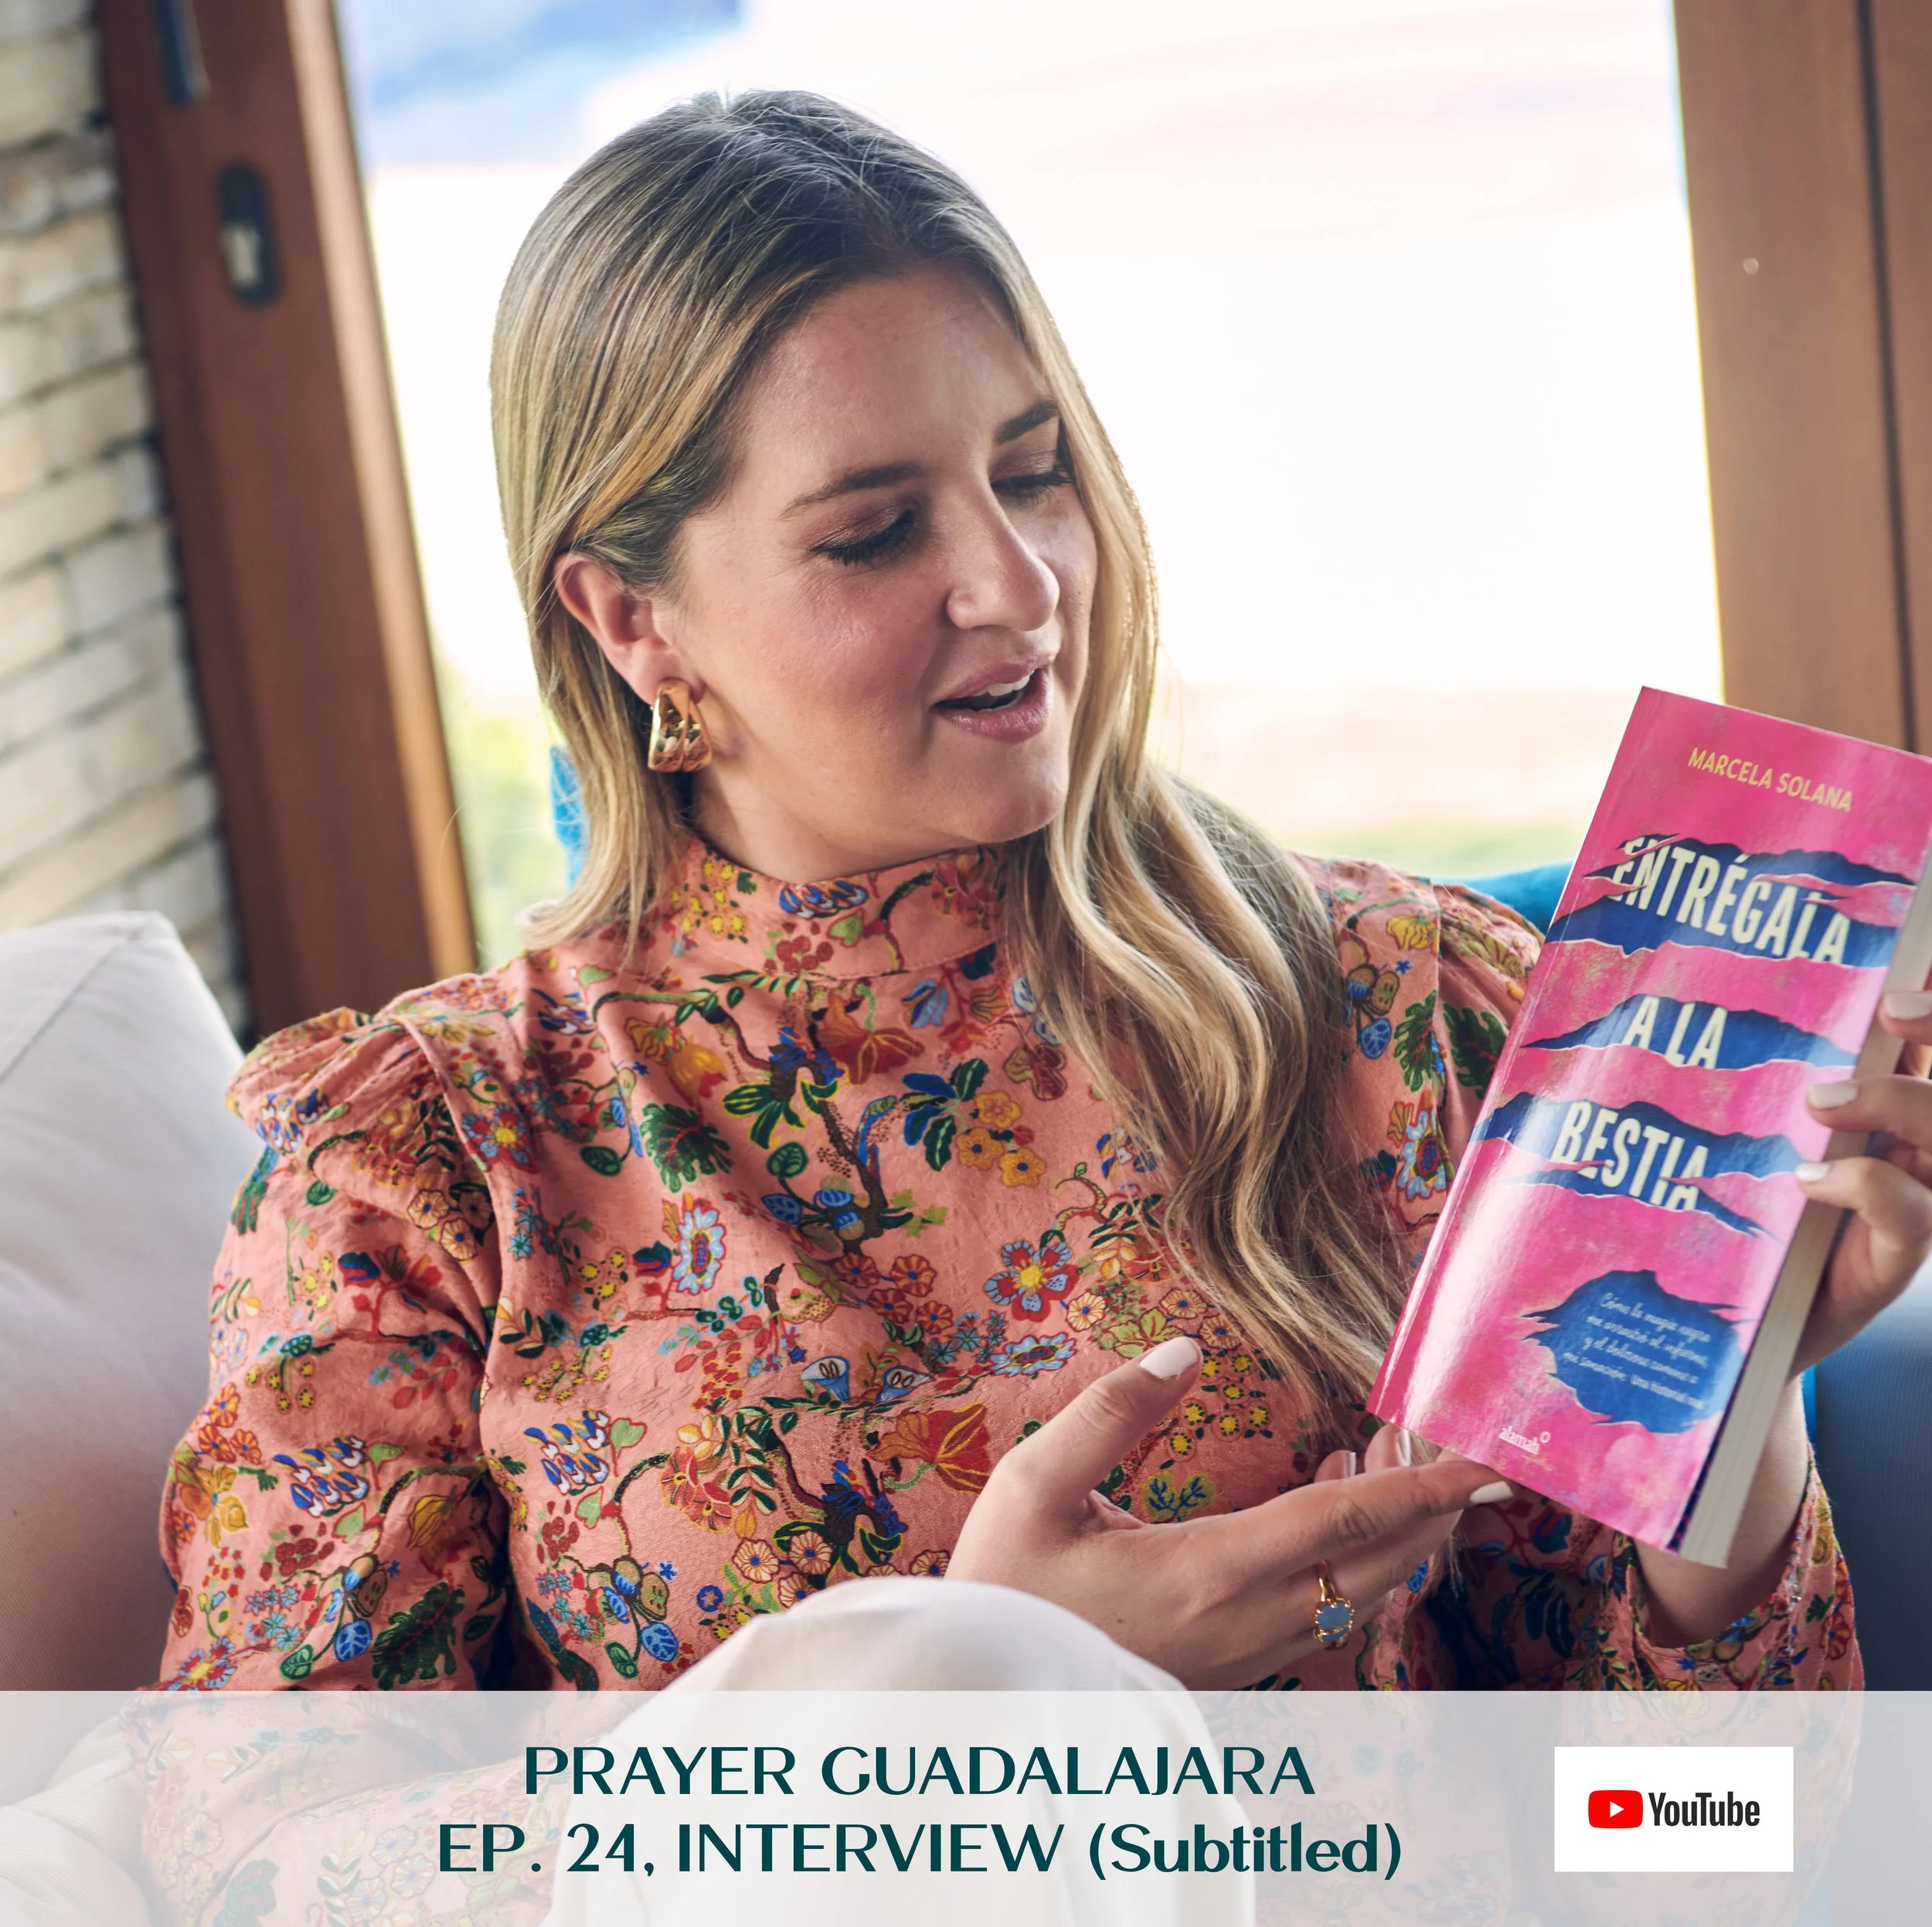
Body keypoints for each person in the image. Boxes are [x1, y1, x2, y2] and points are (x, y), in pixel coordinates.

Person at [156, 90, 1919, 1711]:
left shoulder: (1407, 1010)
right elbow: (282, 1866)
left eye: (1031, 467)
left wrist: (1727, 1405)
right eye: (871, 531)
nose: (1017, 585)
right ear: (632, 619)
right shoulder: (424, 1181)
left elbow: (1693, 1840)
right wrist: (972, 1694)